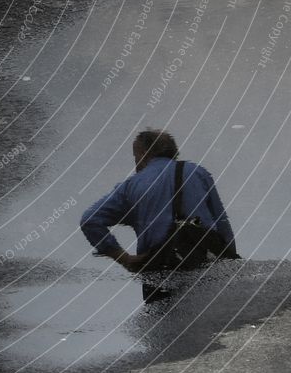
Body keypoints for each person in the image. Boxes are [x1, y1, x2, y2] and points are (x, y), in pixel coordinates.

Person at [80, 129, 238, 301]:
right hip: (207, 261)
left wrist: (123, 258)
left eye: (135, 156)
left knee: (163, 322)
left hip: (160, 268)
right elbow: (222, 223)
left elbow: (90, 220)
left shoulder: (131, 185)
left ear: (144, 153)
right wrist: (230, 264)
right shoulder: (197, 172)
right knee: (212, 320)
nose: (136, 163)